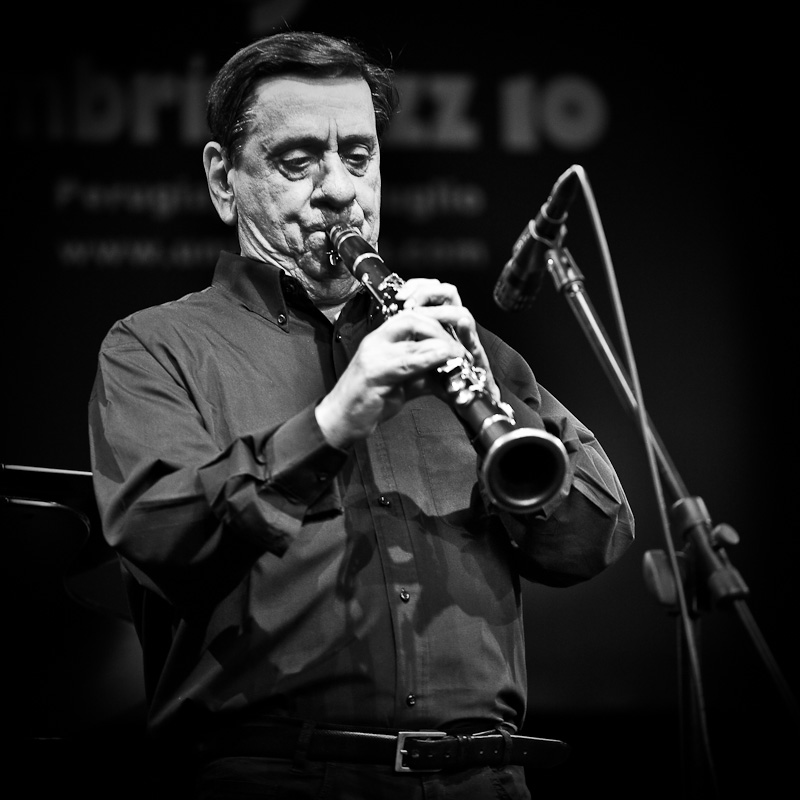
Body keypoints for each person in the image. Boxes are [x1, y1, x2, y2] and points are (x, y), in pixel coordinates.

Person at [88, 30, 635, 800]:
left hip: (484, 781)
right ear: (222, 180)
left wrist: (497, 400)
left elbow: (593, 540)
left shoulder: (457, 346)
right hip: (274, 780)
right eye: (299, 160)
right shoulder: (155, 348)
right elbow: (156, 536)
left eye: (358, 155)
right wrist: (330, 424)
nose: (341, 190)